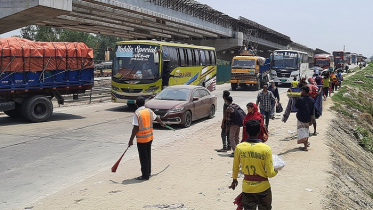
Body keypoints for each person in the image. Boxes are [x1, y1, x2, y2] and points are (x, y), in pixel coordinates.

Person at [229, 119, 278, 210]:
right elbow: (270, 173)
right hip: (263, 189)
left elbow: (235, 167)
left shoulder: (239, 148)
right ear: (259, 131)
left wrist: (234, 180)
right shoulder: (266, 149)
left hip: (247, 188)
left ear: (246, 131)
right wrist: (276, 171)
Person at [128, 96, 166, 180]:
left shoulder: (137, 113)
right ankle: (148, 172)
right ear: (144, 103)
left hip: (142, 139)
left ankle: (145, 175)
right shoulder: (149, 111)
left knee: (143, 157)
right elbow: (157, 118)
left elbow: (136, 128)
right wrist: (162, 123)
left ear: (136, 104)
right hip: (149, 137)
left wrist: (131, 140)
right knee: (148, 155)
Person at [295, 86, 315, 151]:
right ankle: (305, 144)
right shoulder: (312, 99)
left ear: (303, 91)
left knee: (302, 131)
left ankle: (305, 146)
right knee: (306, 131)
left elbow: (296, 106)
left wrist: (297, 98)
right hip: (308, 118)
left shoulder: (300, 99)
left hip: (301, 117)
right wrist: (312, 119)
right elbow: (312, 111)